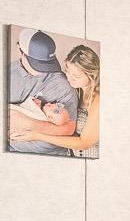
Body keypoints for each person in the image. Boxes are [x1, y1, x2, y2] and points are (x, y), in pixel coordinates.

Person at [9, 43, 100, 158]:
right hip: (68, 154)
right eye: (67, 71)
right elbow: (59, 115)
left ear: (92, 75)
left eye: (76, 76)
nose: (69, 78)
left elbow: (84, 143)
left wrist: (37, 136)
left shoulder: (98, 100)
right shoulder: (77, 90)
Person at [6, 28, 80, 156]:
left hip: (54, 156)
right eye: (37, 63)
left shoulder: (62, 84)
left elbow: (69, 128)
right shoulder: (5, 74)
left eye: (47, 63)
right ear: (20, 50)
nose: (43, 70)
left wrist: (28, 123)